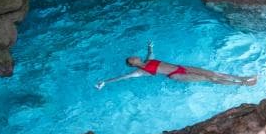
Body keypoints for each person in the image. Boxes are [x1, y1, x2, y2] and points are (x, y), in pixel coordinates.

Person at [95, 42, 257, 89]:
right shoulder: (140, 71)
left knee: (212, 72)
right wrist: (106, 82)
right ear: (133, 64)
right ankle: (243, 84)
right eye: (132, 59)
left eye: (133, 56)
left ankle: (243, 78)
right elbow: (123, 78)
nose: (134, 56)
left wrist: (150, 47)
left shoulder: (149, 59)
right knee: (210, 79)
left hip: (182, 67)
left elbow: (151, 52)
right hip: (177, 75)